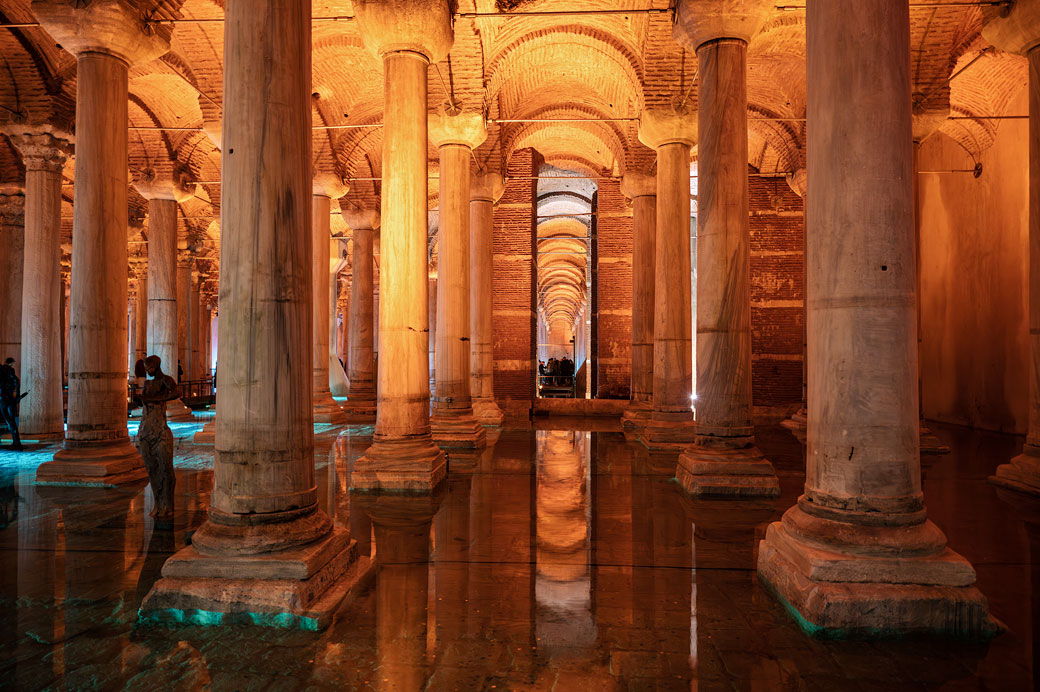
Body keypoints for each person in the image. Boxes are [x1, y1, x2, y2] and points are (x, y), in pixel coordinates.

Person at [138, 355, 181, 522]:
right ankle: (157, 502)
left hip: (160, 430)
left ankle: (168, 504)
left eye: (149, 368)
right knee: (152, 470)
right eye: (146, 368)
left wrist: (157, 398)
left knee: (166, 469)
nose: (147, 371)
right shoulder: (147, 384)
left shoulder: (166, 380)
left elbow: (177, 392)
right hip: (146, 430)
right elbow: (145, 402)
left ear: (156, 366)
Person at [0, 357, 24, 451]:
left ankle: (16, 442)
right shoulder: (10, 370)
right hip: (10, 398)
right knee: (12, 420)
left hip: (2, 398)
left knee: (8, 420)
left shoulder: (2, 370)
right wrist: (17, 396)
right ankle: (16, 442)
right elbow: (16, 382)